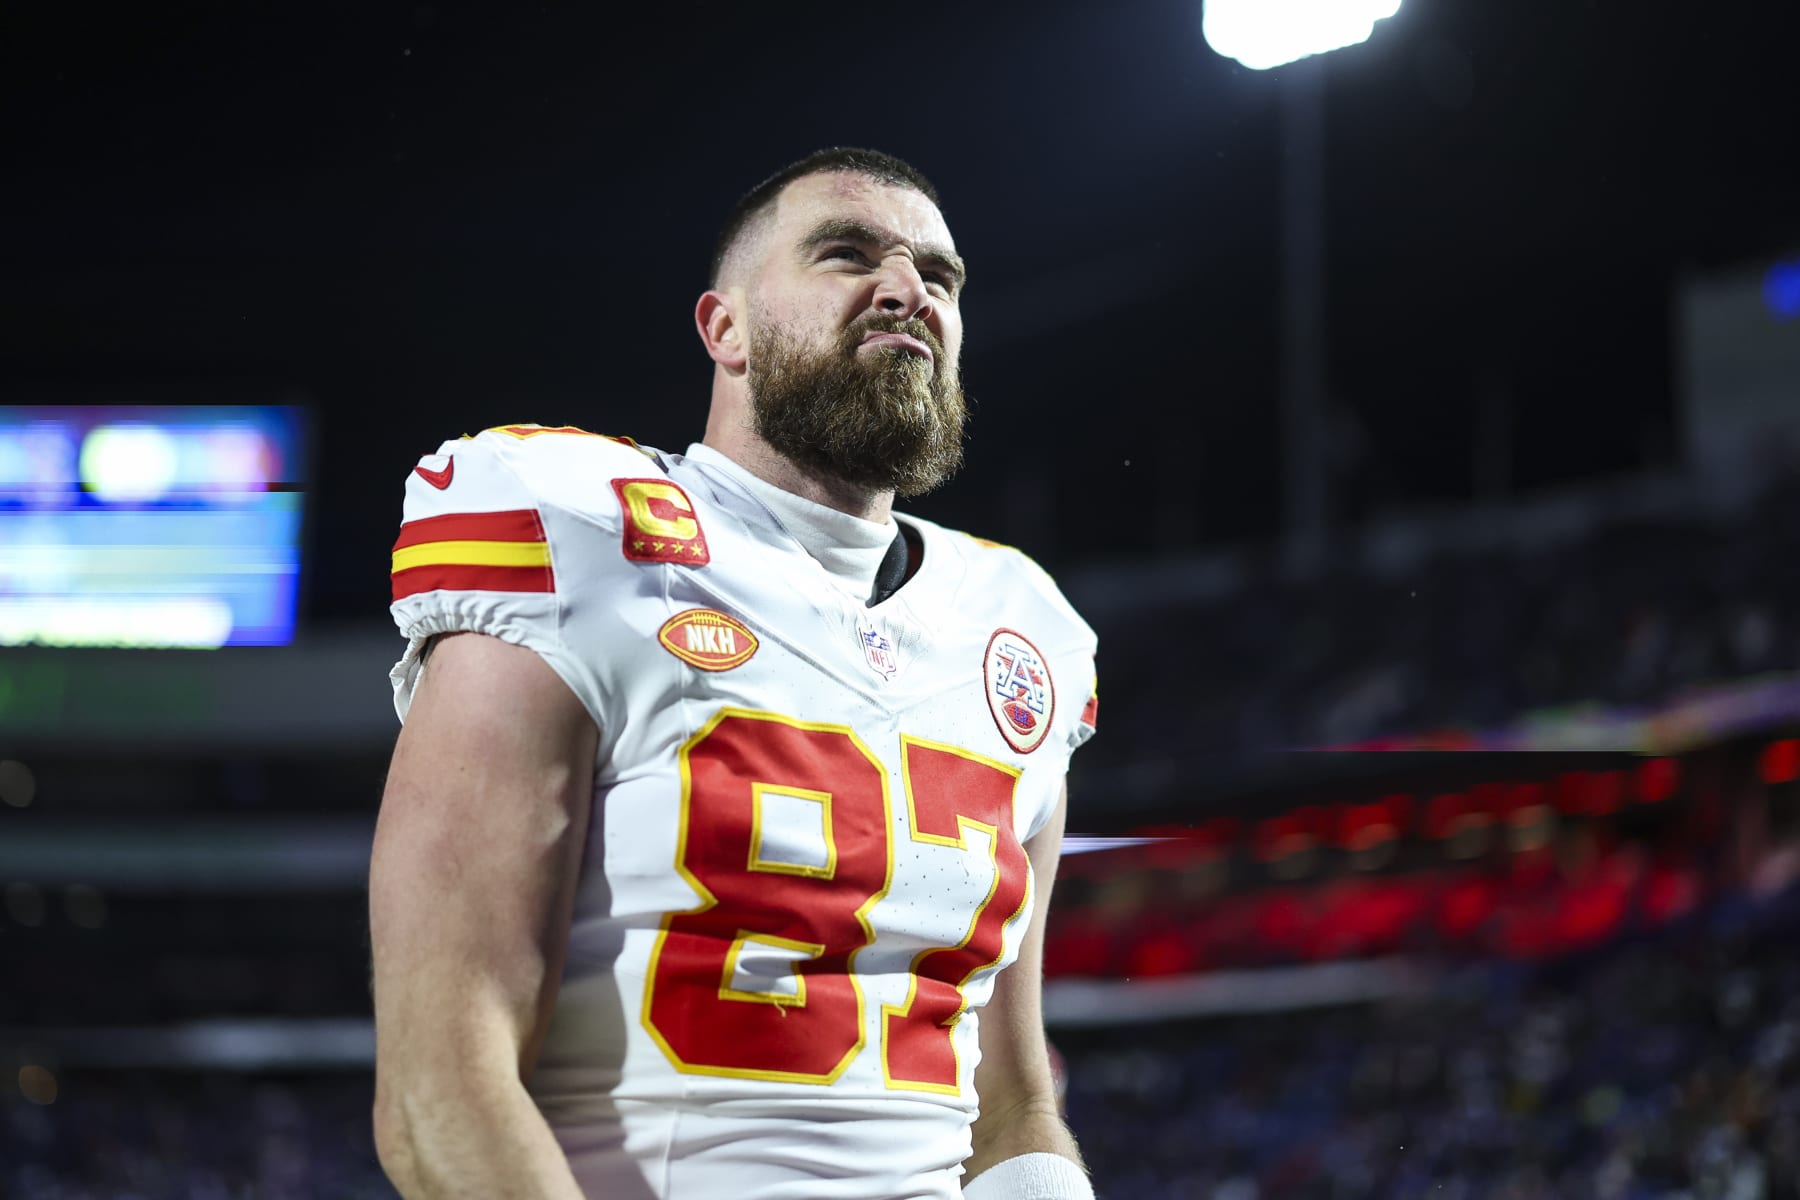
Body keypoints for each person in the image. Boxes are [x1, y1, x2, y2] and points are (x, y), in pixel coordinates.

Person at [368, 147, 1100, 1200]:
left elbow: (1011, 1092)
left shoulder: (1022, 628)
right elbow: (440, 1085)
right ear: (726, 330)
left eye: (939, 278)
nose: (907, 291)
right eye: (848, 254)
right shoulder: (575, 527)